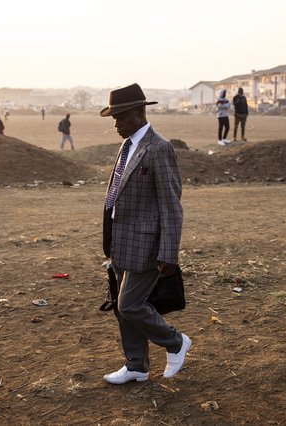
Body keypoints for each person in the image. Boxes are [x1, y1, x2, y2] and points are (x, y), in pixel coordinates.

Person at [100, 83, 191, 385]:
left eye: (122, 117)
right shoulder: (128, 146)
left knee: (130, 304)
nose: (117, 124)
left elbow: (171, 205)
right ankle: (136, 365)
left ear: (140, 113)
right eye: (114, 118)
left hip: (146, 246)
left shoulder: (159, 148)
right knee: (122, 308)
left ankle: (175, 342)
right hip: (122, 243)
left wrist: (168, 253)